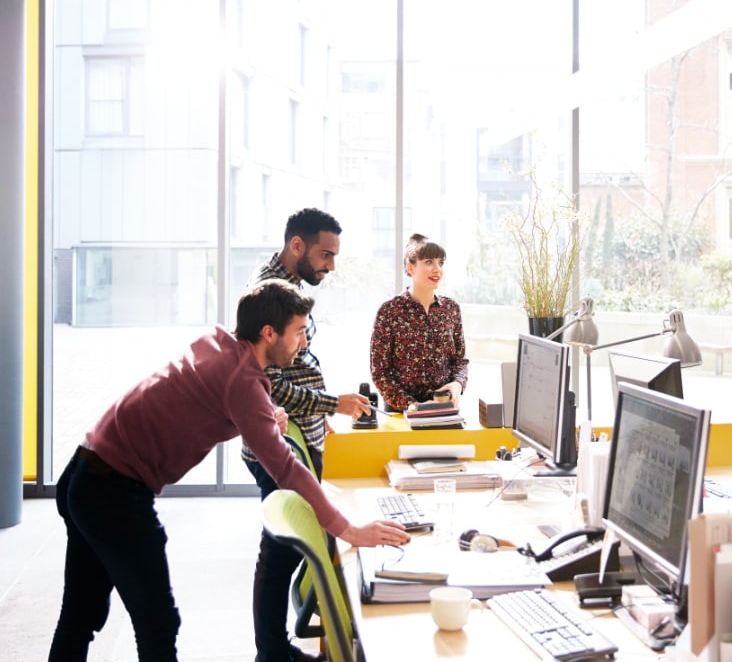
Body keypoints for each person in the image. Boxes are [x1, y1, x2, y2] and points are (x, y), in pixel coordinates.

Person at [48, 279, 409, 662]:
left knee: (80, 614)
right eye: (299, 332)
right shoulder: (243, 381)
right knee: (157, 623)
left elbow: (208, 396)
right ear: (269, 333)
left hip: (84, 470)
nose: (303, 343)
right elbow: (285, 468)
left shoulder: (221, 343)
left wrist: (262, 415)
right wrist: (348, 529)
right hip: (113, 490)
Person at [242, 208, 374, 662]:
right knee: (278, 552)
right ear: (296, 245)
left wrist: (324, 410)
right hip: (275, 439)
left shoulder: (290, 286)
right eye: (325, 254)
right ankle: (272, 653)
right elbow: (268, 381)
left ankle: (276, 647)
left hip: (300, 432)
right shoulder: (268, 292)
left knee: (285, 547)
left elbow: (295, 366)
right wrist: (328, 402)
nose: (331, 266)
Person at [370, 233, 469, 411]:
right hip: (401, 412)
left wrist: (458, 384)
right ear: (410, 267)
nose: (437, 269)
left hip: (444, 407)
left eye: (440, 262)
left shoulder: (451, 309)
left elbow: (460, 361)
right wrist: (413, 406)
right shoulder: (389, 311)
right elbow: (380, 372)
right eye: (429, 262)